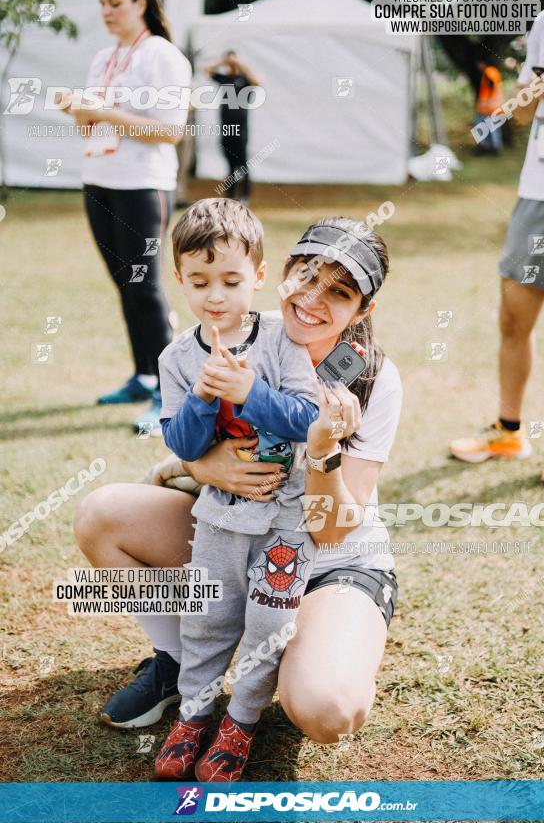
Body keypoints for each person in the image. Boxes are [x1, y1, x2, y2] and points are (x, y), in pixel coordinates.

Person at [74, 214, 402, 758]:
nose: (313, 301)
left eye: (339, 293)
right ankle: (176, 661)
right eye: (308, 277)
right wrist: (204, 469)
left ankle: (290, 658)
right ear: (281, 273)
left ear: (364, 310)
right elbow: (185, 439)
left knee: (328, 710)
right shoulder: (244, 328)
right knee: (102, 515)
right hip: (234, 530)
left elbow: (335, 528)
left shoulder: (372, 377)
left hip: (326, 559)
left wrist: (322, 451)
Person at [152, 198, 319, 781]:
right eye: (199, 282)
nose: (215, 296)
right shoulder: (176, 358)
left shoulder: (279, 341)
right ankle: (195, 714)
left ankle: (241, 722)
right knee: (208, 617)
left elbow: (307, 418)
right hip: (221, 517)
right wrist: (202, 396)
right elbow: (185, 444)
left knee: (268, 624)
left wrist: (249, 390)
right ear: (179, 280)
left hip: (286, 519)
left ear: (259, 276)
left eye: (230, 280)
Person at [451, 0, 544, 487]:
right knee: (514, 314)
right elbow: (523, 112)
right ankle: (508, 430)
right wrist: (531, 93)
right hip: (540, 187)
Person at [63, 0, 191, 434]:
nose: (106, 13)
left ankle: (168, 394)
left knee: (145, 286)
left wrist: (103, 112)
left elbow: (170, 130)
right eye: (101, 4)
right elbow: (91, 126)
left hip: (145, 183)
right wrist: (79, 111)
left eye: (114, 2)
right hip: (99, 178)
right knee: (124, 284)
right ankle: (142, 376)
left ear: (141, 3)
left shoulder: (163, 56)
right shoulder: (105, 57)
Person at [204, 51, 260, 203]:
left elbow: (257, 80)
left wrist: (240, 63)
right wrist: (222, 62)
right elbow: (206, 70)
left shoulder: (245, 79)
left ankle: (245, 196)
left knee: (242, 164)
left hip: (241, 129)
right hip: (226, 128)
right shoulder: (225, 78)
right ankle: (231, 196)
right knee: (229, 164)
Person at [474, 58, 504, 153]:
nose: (478, 66)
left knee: (485, 127)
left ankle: (491, 147)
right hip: (494, 106)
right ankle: (493, 147)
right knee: (492, 127)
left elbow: (491, 85)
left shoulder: (489, 71)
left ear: (483, 63)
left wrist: (483, 103)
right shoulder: (494, 72)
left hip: (489, 107)